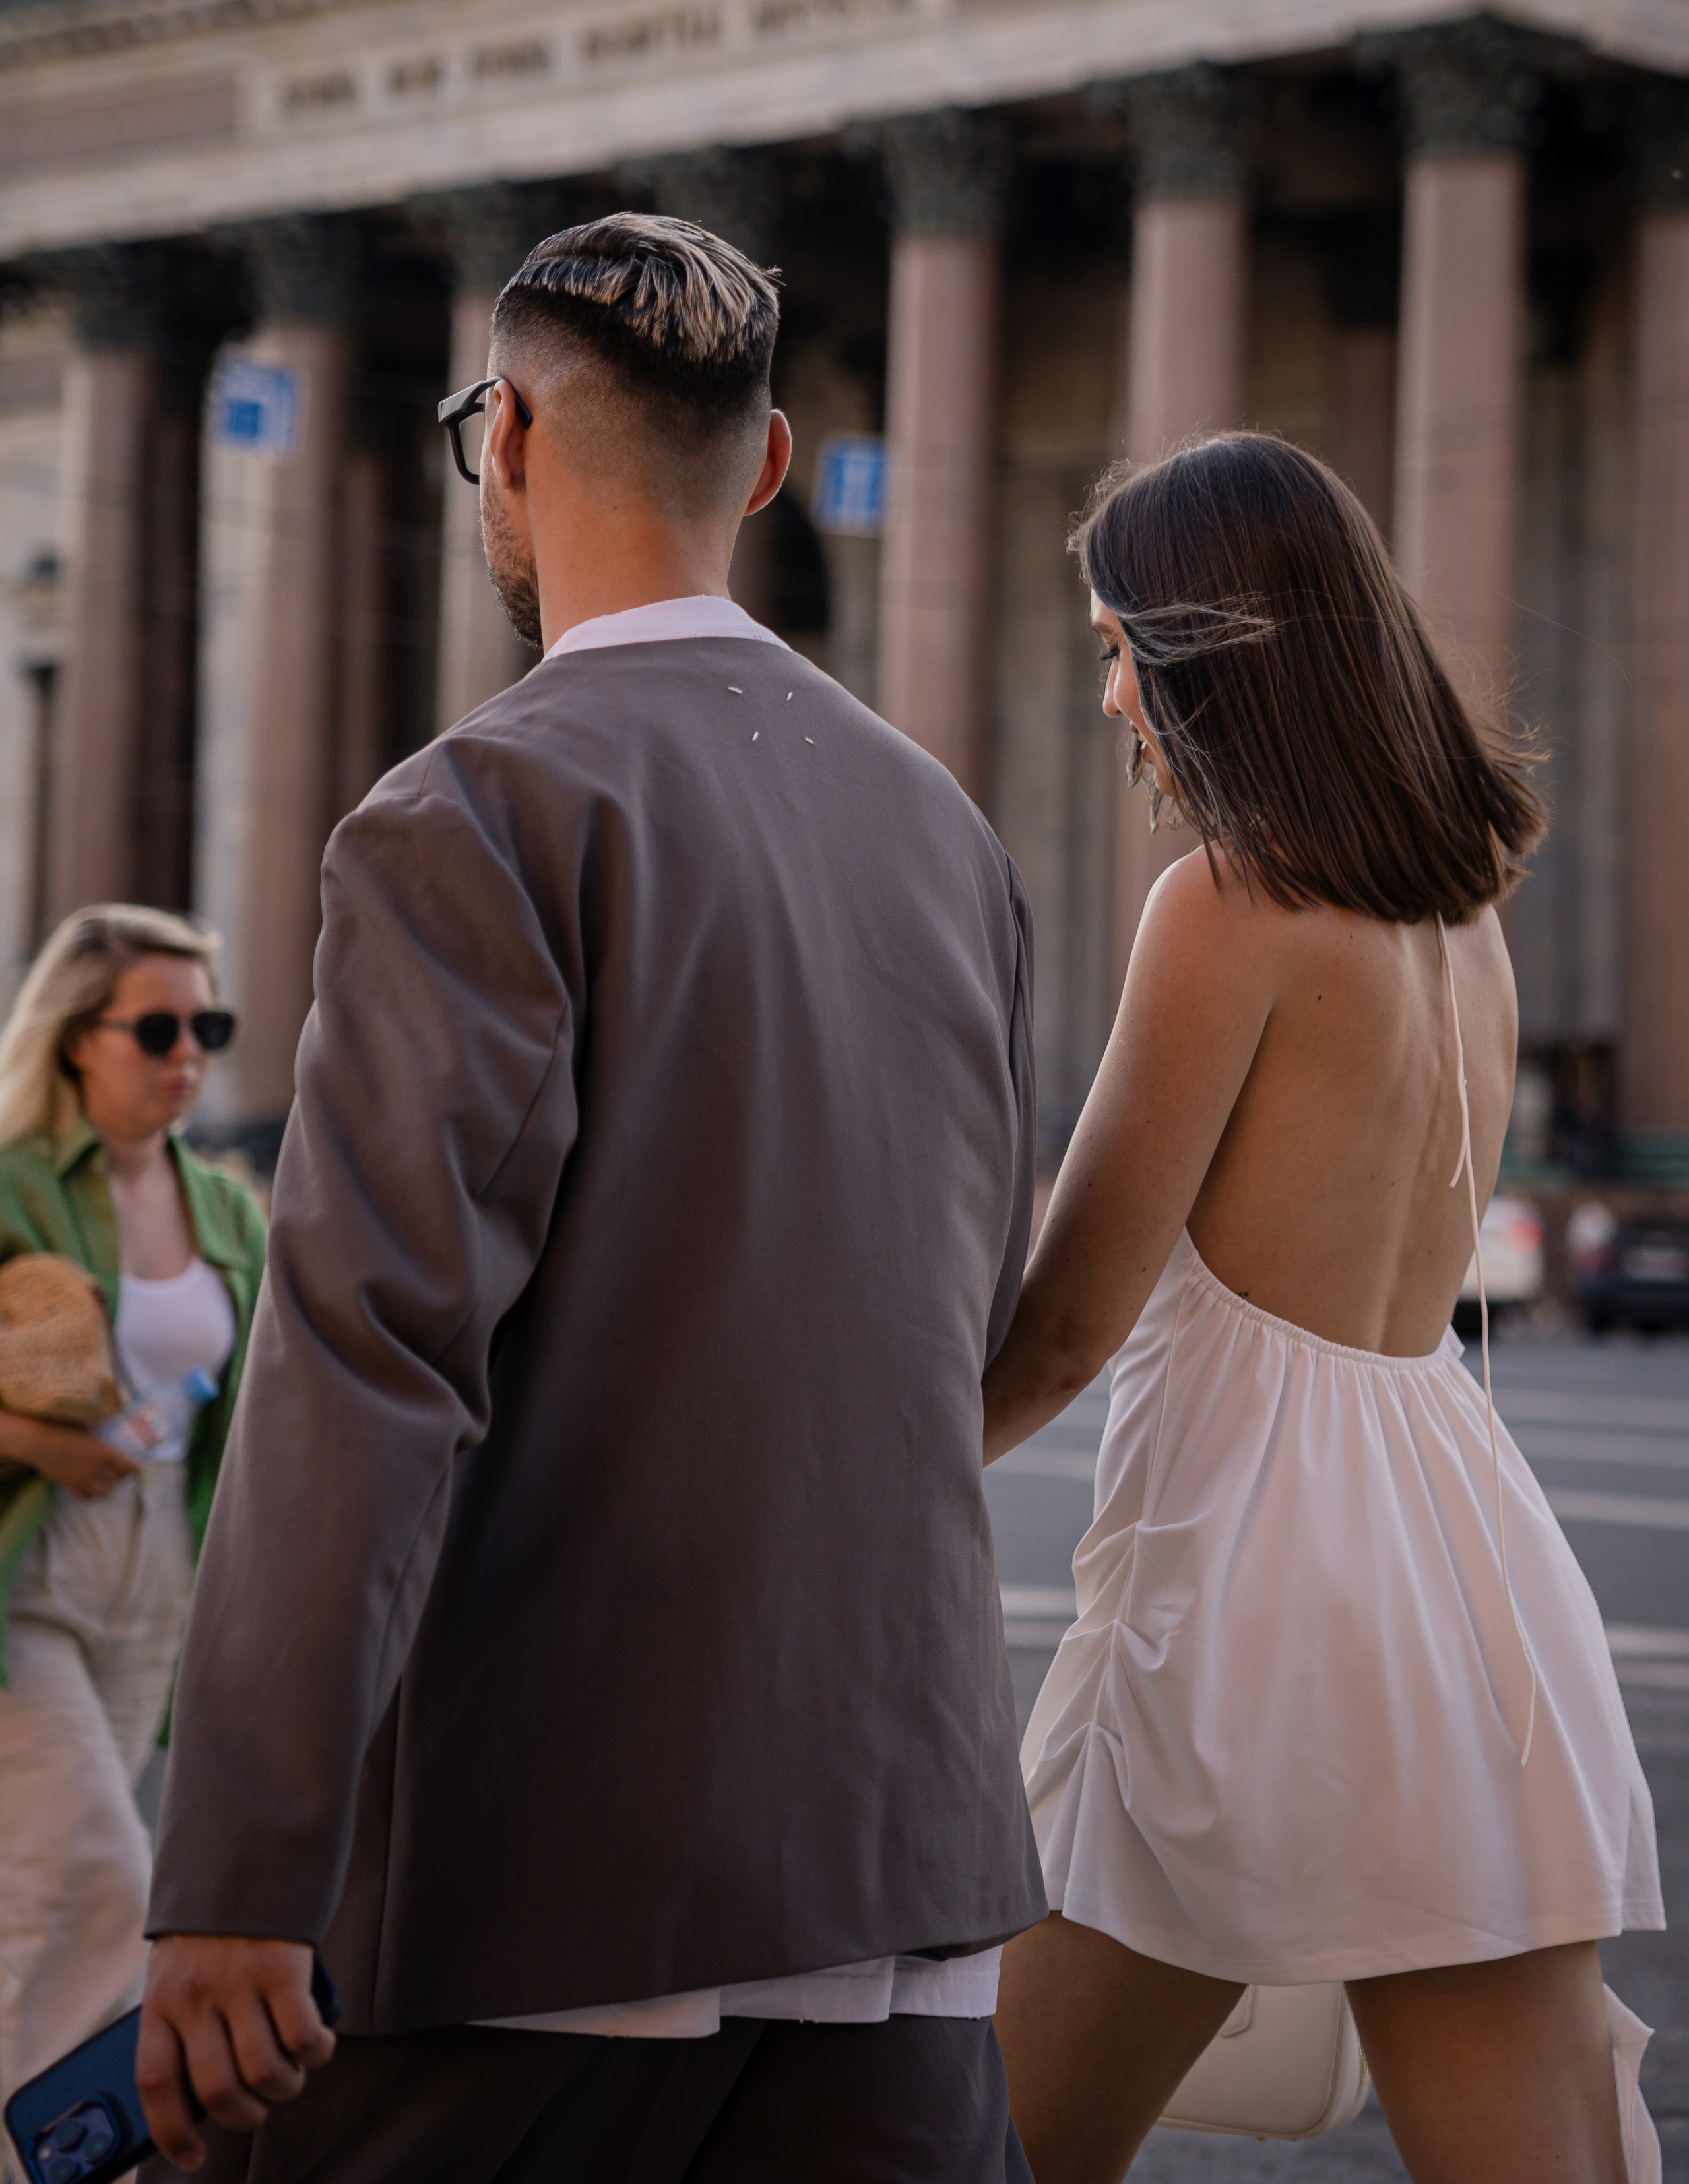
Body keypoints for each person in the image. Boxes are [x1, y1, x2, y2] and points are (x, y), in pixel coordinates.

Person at [137, 215, 1043, 2183]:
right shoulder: (945, 833)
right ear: (778, 463)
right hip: (902, 1869)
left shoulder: (471, 809)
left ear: (513, 443)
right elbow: (969, 1307)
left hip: (557, 1873)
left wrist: (240, 1863)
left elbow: (369, 1359)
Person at [986, 436, 1664, 2184]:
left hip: (1248, 1591)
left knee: (989, 2143)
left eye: (1118, 638)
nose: (1113, 687)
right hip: (1456, 1556)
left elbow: (1067, 1321)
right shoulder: (1460, 914)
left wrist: (859, 1477)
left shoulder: (1227, 907)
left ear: (1204, 649)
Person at [0, 906, 264, 2164]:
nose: (187, 1054)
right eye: (156, 1026)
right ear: (74, 1038)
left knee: (34, 1898)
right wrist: (44, 1442)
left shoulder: (229, 1208)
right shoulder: (10, 1184)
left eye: (207, 1026)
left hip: (161, 1580)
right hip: (30, 1576)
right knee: (103, 1873)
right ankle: (39, 2147)